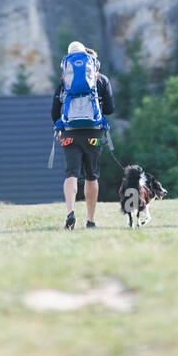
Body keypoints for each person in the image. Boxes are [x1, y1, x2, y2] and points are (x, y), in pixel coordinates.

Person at [52, 41, 115, 230]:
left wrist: (61, 126)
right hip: (93, 132)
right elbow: (110, 109)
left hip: (70, 132)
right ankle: (90, 220)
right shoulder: (101, 79)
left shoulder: (64, 81)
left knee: (71, 173)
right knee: (91, 176)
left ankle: (70, 212)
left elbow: (54, 112)